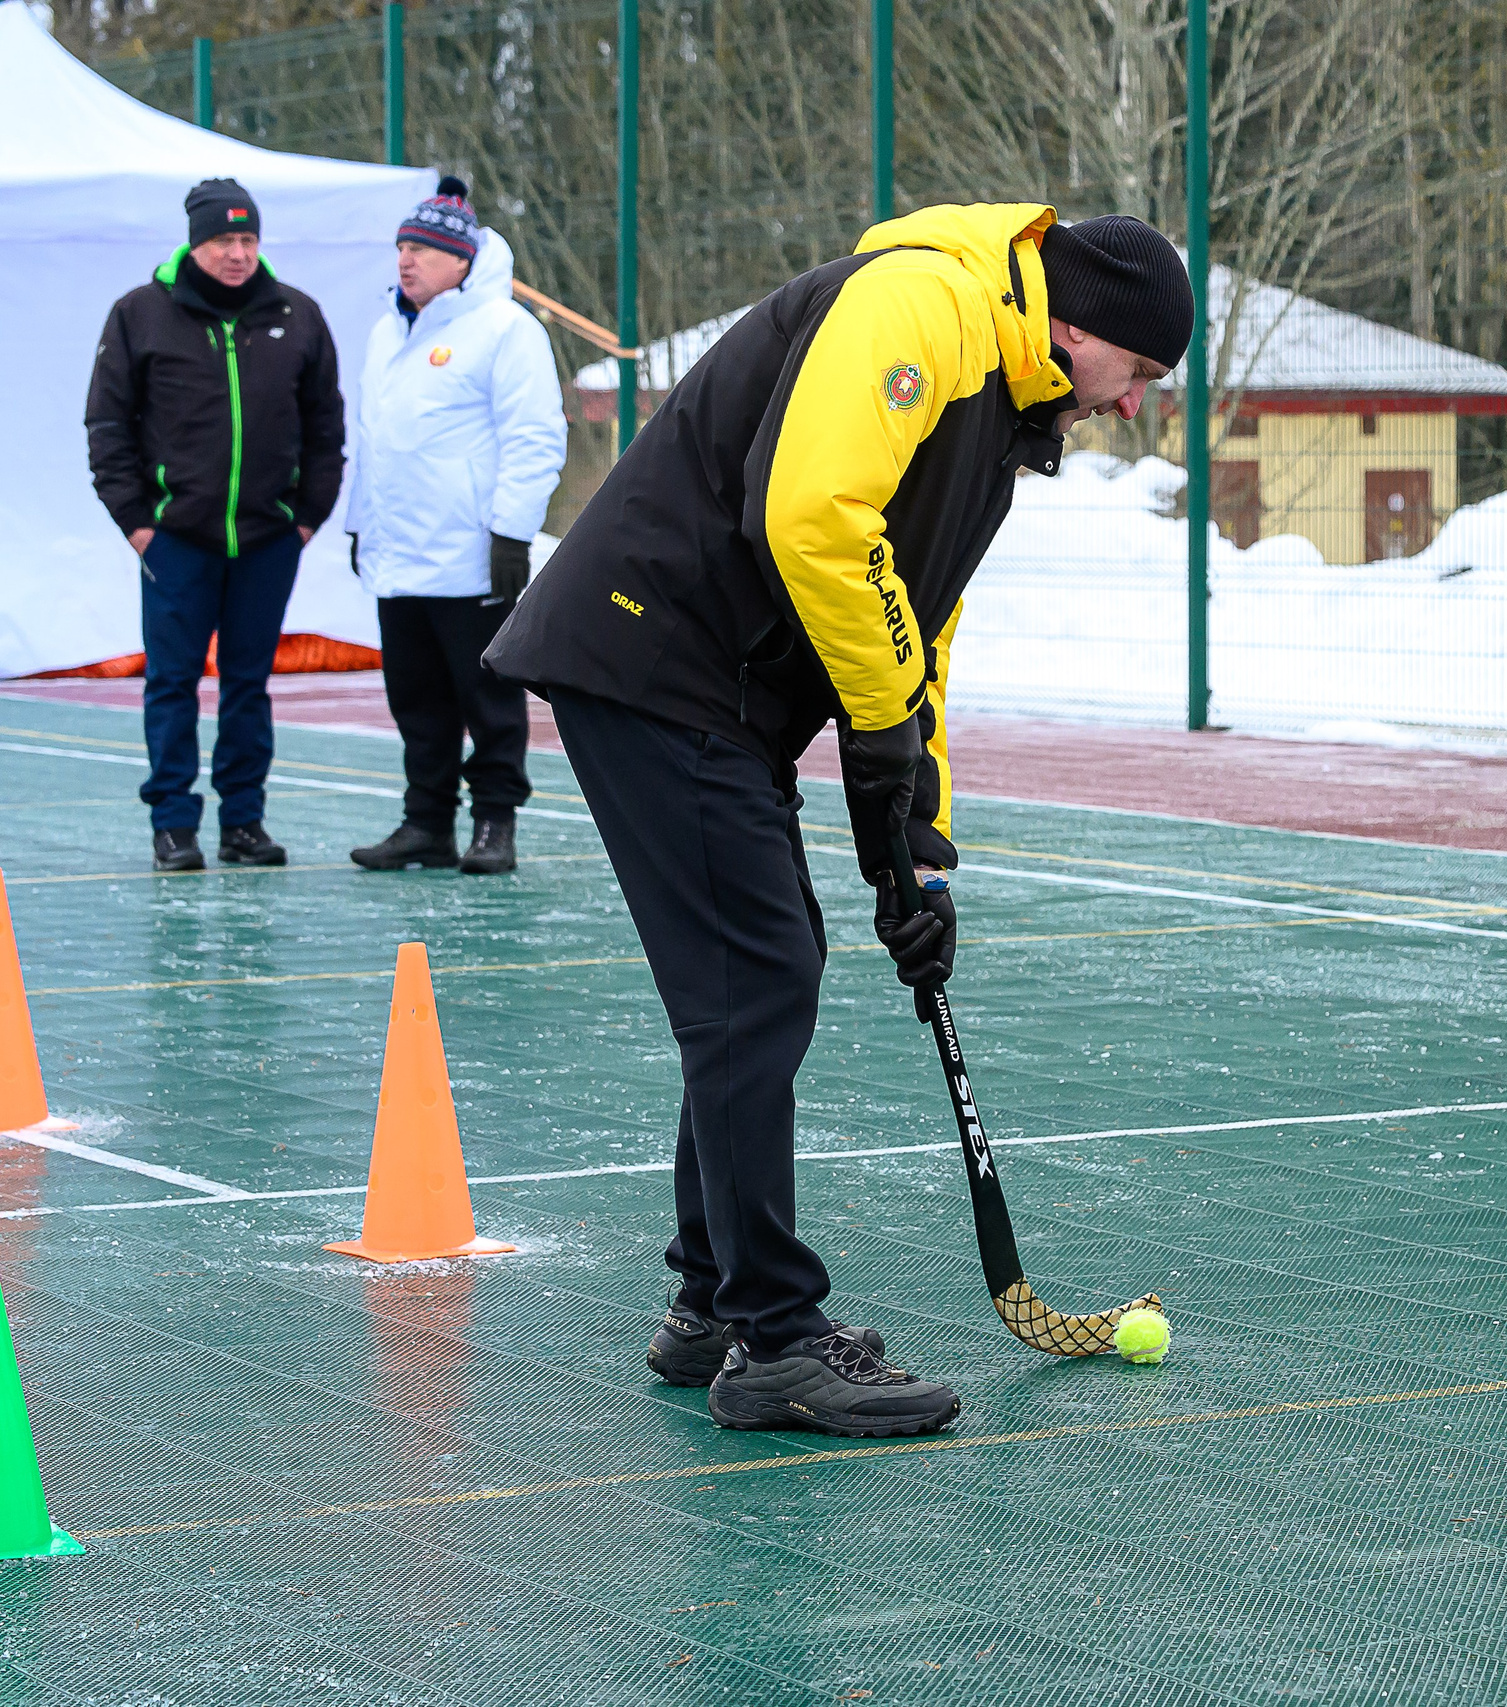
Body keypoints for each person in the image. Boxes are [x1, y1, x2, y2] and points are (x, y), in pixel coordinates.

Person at [484, 206, 1191, 1437]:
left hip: (713, 691)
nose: (1132, 405)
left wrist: (917, 839)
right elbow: (811, 515)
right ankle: (773, 1338)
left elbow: (919, 633)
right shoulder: (923, 307)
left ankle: (712, 1302)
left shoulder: (1000, 415)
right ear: (1080, 329)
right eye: (1136, 372)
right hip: (656, 657)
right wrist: (873, 735)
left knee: (764, 970)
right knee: (754, 978)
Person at [85, 178, 343, 873]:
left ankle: (244, 823)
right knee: (172, 682)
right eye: (224, 240)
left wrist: (306, 517)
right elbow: (107, 425)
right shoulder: (140, 314)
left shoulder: (297, 315)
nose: (238, 253)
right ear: (195, 244)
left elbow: (326, 425)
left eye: (248, 239)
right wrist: (139, 523)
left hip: (268, 539)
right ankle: (173, 824)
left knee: (247, 683)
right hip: (176, 541)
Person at [343, 177, 568, 876]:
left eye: (422, 250)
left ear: (463, 260)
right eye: (401, 247)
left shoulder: (506, 329)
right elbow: (373, 440)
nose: (405, 260)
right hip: (398, 555)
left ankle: (495, 821)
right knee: (416, 700)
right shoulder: (387, 331)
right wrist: (360, 524)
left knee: (488, 699)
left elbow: (535, 436)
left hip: (471, 556)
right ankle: (426, 822)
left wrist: (511, 532)